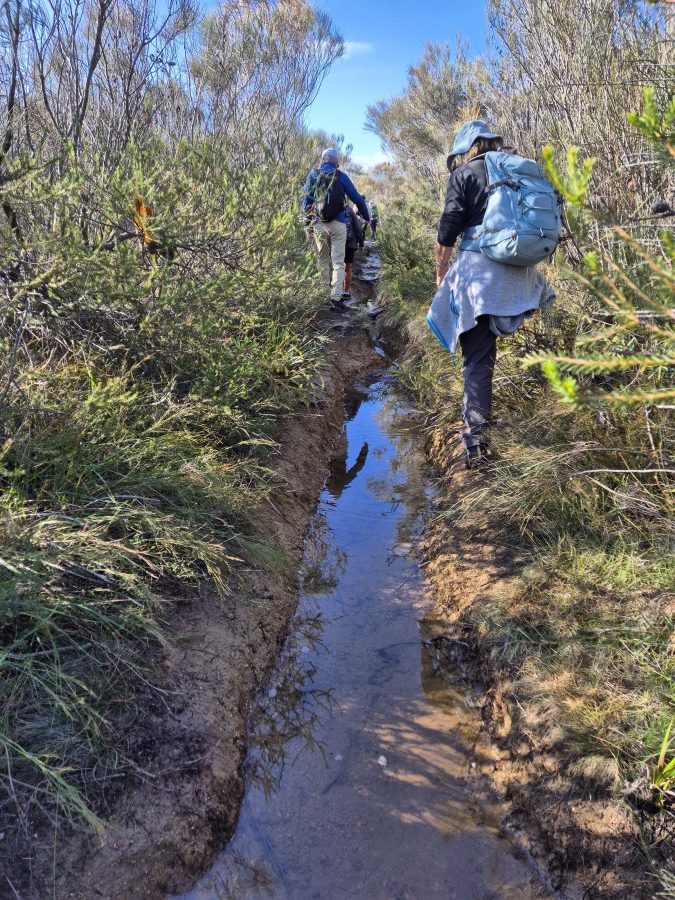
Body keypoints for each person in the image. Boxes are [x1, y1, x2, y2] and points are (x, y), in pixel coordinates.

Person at [431, 120, 554, 469]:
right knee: (490, 350)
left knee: (476, 358)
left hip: (481, 278)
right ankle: (548, 408)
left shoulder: (464, 174)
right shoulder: (514, 169)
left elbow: (448, 229)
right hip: (520, 275)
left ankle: (476, 442)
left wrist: (441, 271)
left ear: (465, 148)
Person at [303, 148, 370, 308]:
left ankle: (322, 296)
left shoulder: (313, 175)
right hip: (339, 223)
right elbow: (357, 199)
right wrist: (366, 217)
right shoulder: (341, 176)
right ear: (336, 161)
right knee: (338, 262)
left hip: (319, 223)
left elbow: (306, 202)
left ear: (323, 160)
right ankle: (336, 298)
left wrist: (308, 226)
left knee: (322, 260)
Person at [341, 203, 365, 301]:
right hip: (350, 243)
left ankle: (336, 292)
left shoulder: (332, 209)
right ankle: (345, 292)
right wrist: (361, 243)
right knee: (348, 268)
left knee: (337, 267)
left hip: (337, 243)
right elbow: (357, 228)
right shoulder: (350, 211)